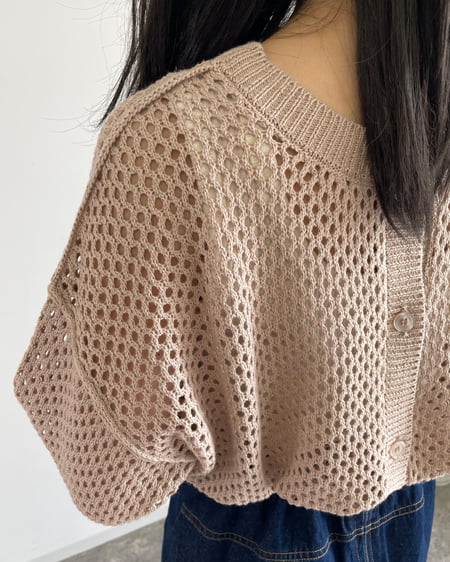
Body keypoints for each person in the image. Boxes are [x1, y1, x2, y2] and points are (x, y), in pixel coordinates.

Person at [13, 0, 449, 561]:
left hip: (253, 534)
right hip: (402, 514)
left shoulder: (174, 141)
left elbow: (105, 475)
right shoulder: (178, 142)